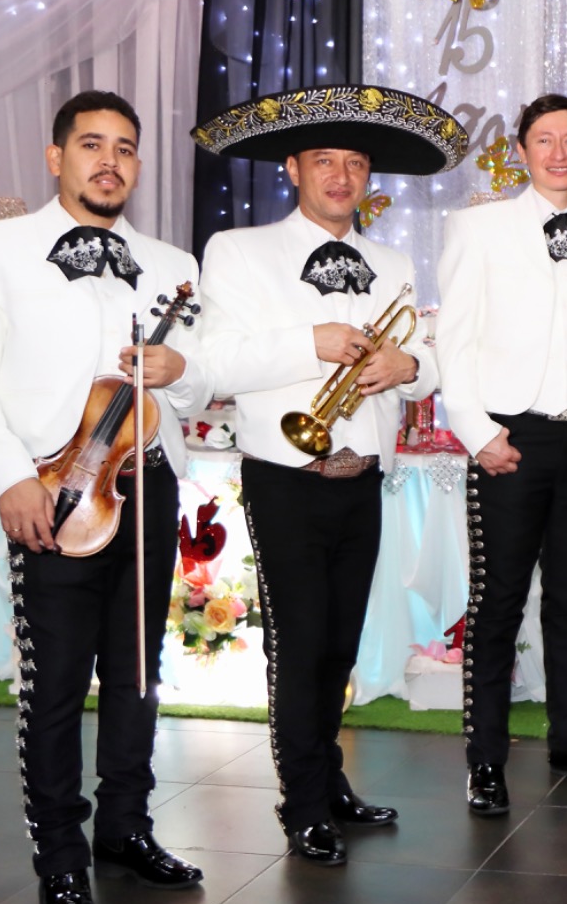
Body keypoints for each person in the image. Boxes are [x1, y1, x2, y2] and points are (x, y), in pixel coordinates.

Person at [0, 90, 210, 904]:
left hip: (146, 485)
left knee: (137, 671)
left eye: (124, 148)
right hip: (51, 490)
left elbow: (200, 380)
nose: (109, 161)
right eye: (91, 144)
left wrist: (180, 370)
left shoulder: (171, 262)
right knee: (54, 683)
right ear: (56, 156)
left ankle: (125, 827)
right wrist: (10, 476)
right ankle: (60, 858)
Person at [191, 84, 459, 864]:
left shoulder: (391, 260)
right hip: (286, 476)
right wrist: (312, 340)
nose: (341, 176)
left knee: (339, 643)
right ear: (292, 168)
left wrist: (408, 366)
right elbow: (216, 363)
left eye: (355, 163)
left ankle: (328, 777)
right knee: (299, 642)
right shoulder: (238, 250)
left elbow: (426, 359)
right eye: (324, 161)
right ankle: (302, 800)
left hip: (363, 476)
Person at [435, 94, 567, 810]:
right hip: (511, 440)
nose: (559, 153)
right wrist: (478, 432)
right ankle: (485, 761)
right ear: (522, 150)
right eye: (545, 140)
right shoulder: (479, 228)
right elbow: (454, 340)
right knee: (497, 601)